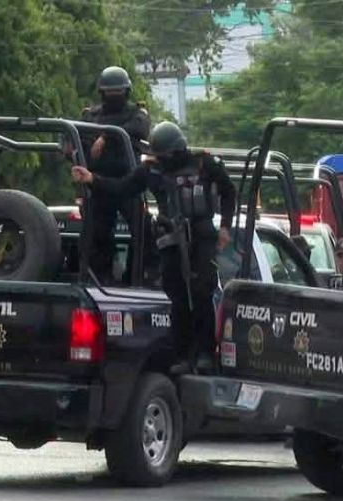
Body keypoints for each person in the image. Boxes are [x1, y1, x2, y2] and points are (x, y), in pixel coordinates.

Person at [70, 121, 236, 374]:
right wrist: (92, 179)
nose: (163, 160)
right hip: (170, 237)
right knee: (177, 296)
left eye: (166, 155)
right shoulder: (150, 170)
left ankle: (204, 353)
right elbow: (122, 187)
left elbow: (229, 192)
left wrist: (225, 226)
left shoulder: (204, 163)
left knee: (202, 291)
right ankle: (182, 355)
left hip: (201, 237)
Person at [76, 66, 152, 284]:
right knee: (95, 236)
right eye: (110, 93)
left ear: (126, 92)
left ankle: (136, 278)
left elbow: (139, 128)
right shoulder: (91, 115)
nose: (114, 97)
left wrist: (106, 136)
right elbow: (82, 130)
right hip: (98, 184)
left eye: (117, 92)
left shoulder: (136, 114)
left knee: (144, 232)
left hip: (128, 184)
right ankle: (100, 280)